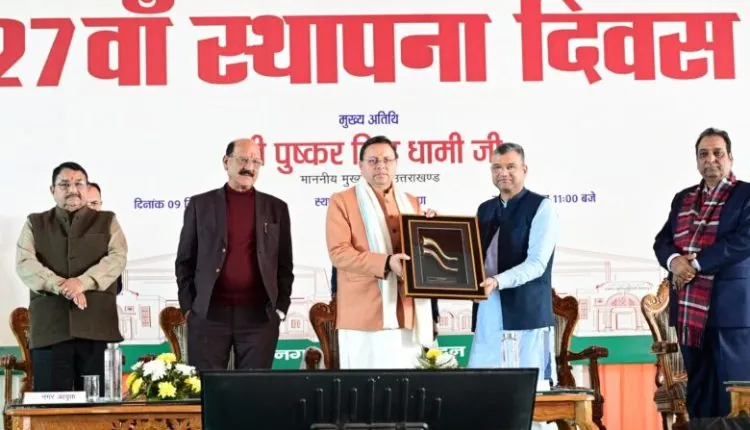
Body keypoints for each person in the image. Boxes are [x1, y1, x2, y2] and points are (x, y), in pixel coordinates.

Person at [653, 127, 750, 419]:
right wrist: (674, 261)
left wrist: (694, 265)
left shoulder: (745, 195)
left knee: (733, 395)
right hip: (690, 314)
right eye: (703, 154)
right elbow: (663, 241)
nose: (711, 159)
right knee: (699, 392)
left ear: (730, 157)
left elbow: (743, 240)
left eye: (717, 153)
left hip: (731, 311)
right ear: (697, 161)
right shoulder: (683, 199)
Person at [175, 138, 294, 371]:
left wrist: (280, 308)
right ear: (226, 162)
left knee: (253, 388)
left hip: (259, 318)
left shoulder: (276, 208)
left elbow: (284, 264)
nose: (249, 167)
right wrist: (190, 308)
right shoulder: (201, 205)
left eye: (256, 162)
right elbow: (184, 261)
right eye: (243, 159)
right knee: (208, 387)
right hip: (209, 315)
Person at [325, 135, 437, 369]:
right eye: (373, 160)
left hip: (408, 312)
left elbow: (422, 255)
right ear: (361, 165)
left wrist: (433, 229)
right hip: (363, 314)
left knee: (407, 385)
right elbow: (339, 253)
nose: (381, 166)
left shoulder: (412, 203)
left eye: (387, 160)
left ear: (396, 164)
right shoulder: (342, 201)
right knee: (365, 386)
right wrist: (386, 263)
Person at [15, 162, 127, 394]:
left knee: (99, 408)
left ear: (87, 188)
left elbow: (117, 258)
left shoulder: (108, 221)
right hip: (50, 332)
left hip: (97, 330)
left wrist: (82, 283)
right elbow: (25, 263)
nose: (72, 190)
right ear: (52, 190)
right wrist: (61, 285)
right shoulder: (34, 223)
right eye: (64, 184)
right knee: (52, 409)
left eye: (79, 184)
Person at [468, 143, 558, 400]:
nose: (503, 173)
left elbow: (537, 264)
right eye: (497, 167)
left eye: (510, 167)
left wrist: (497, 281)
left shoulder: (541, 207)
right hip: (488, 309)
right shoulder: (485, 209)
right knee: (484, 394)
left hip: (527, 314)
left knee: (531, 399)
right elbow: (472, 257)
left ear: (524, 170)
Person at [330, 266, 441, 339]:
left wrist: (432, 314)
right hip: (361, 309)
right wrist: (336, 297)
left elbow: (426, 271)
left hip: (408, 311)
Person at [87, 182, 122, 295]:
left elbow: (117, 286)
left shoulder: (111, 237)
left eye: (94, 203)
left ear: (100, 205)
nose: (90, 208)